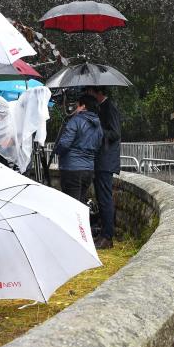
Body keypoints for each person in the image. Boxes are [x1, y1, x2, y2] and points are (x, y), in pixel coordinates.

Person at [54, 95, 103, 203]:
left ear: (83, 106)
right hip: (88, 169)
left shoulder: (75, 121)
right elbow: (98, 145)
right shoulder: (98, 124)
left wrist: (57, 151)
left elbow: (64, 144)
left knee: (71, 205)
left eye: (77, 105)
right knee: (80, 203)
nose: (75, 108)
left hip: (72, 169)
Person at [90, 86, 121, 249]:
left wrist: (97, 129)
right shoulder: (101, 108)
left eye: (91, 92)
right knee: (102, 199)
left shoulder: (110, 108)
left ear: (99, 92)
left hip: (106, 161)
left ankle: (108, 237)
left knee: (105, 199)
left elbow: (115, 133)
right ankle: (103, 231)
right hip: (101, 160)